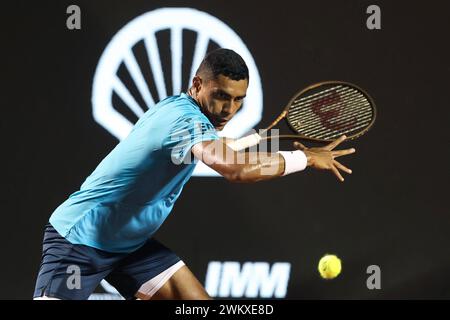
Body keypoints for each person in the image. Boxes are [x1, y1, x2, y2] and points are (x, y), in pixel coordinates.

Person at [33, 48, 355, 300]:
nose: (229, 110)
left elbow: (222, 147)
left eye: (238, 100)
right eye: (221, 97)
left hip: (129, 243)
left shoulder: (181, 111)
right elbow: (235, 169)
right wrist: (304, 158)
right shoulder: (184, 122)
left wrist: (266, 140)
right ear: (198, 84)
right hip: (79, 238)